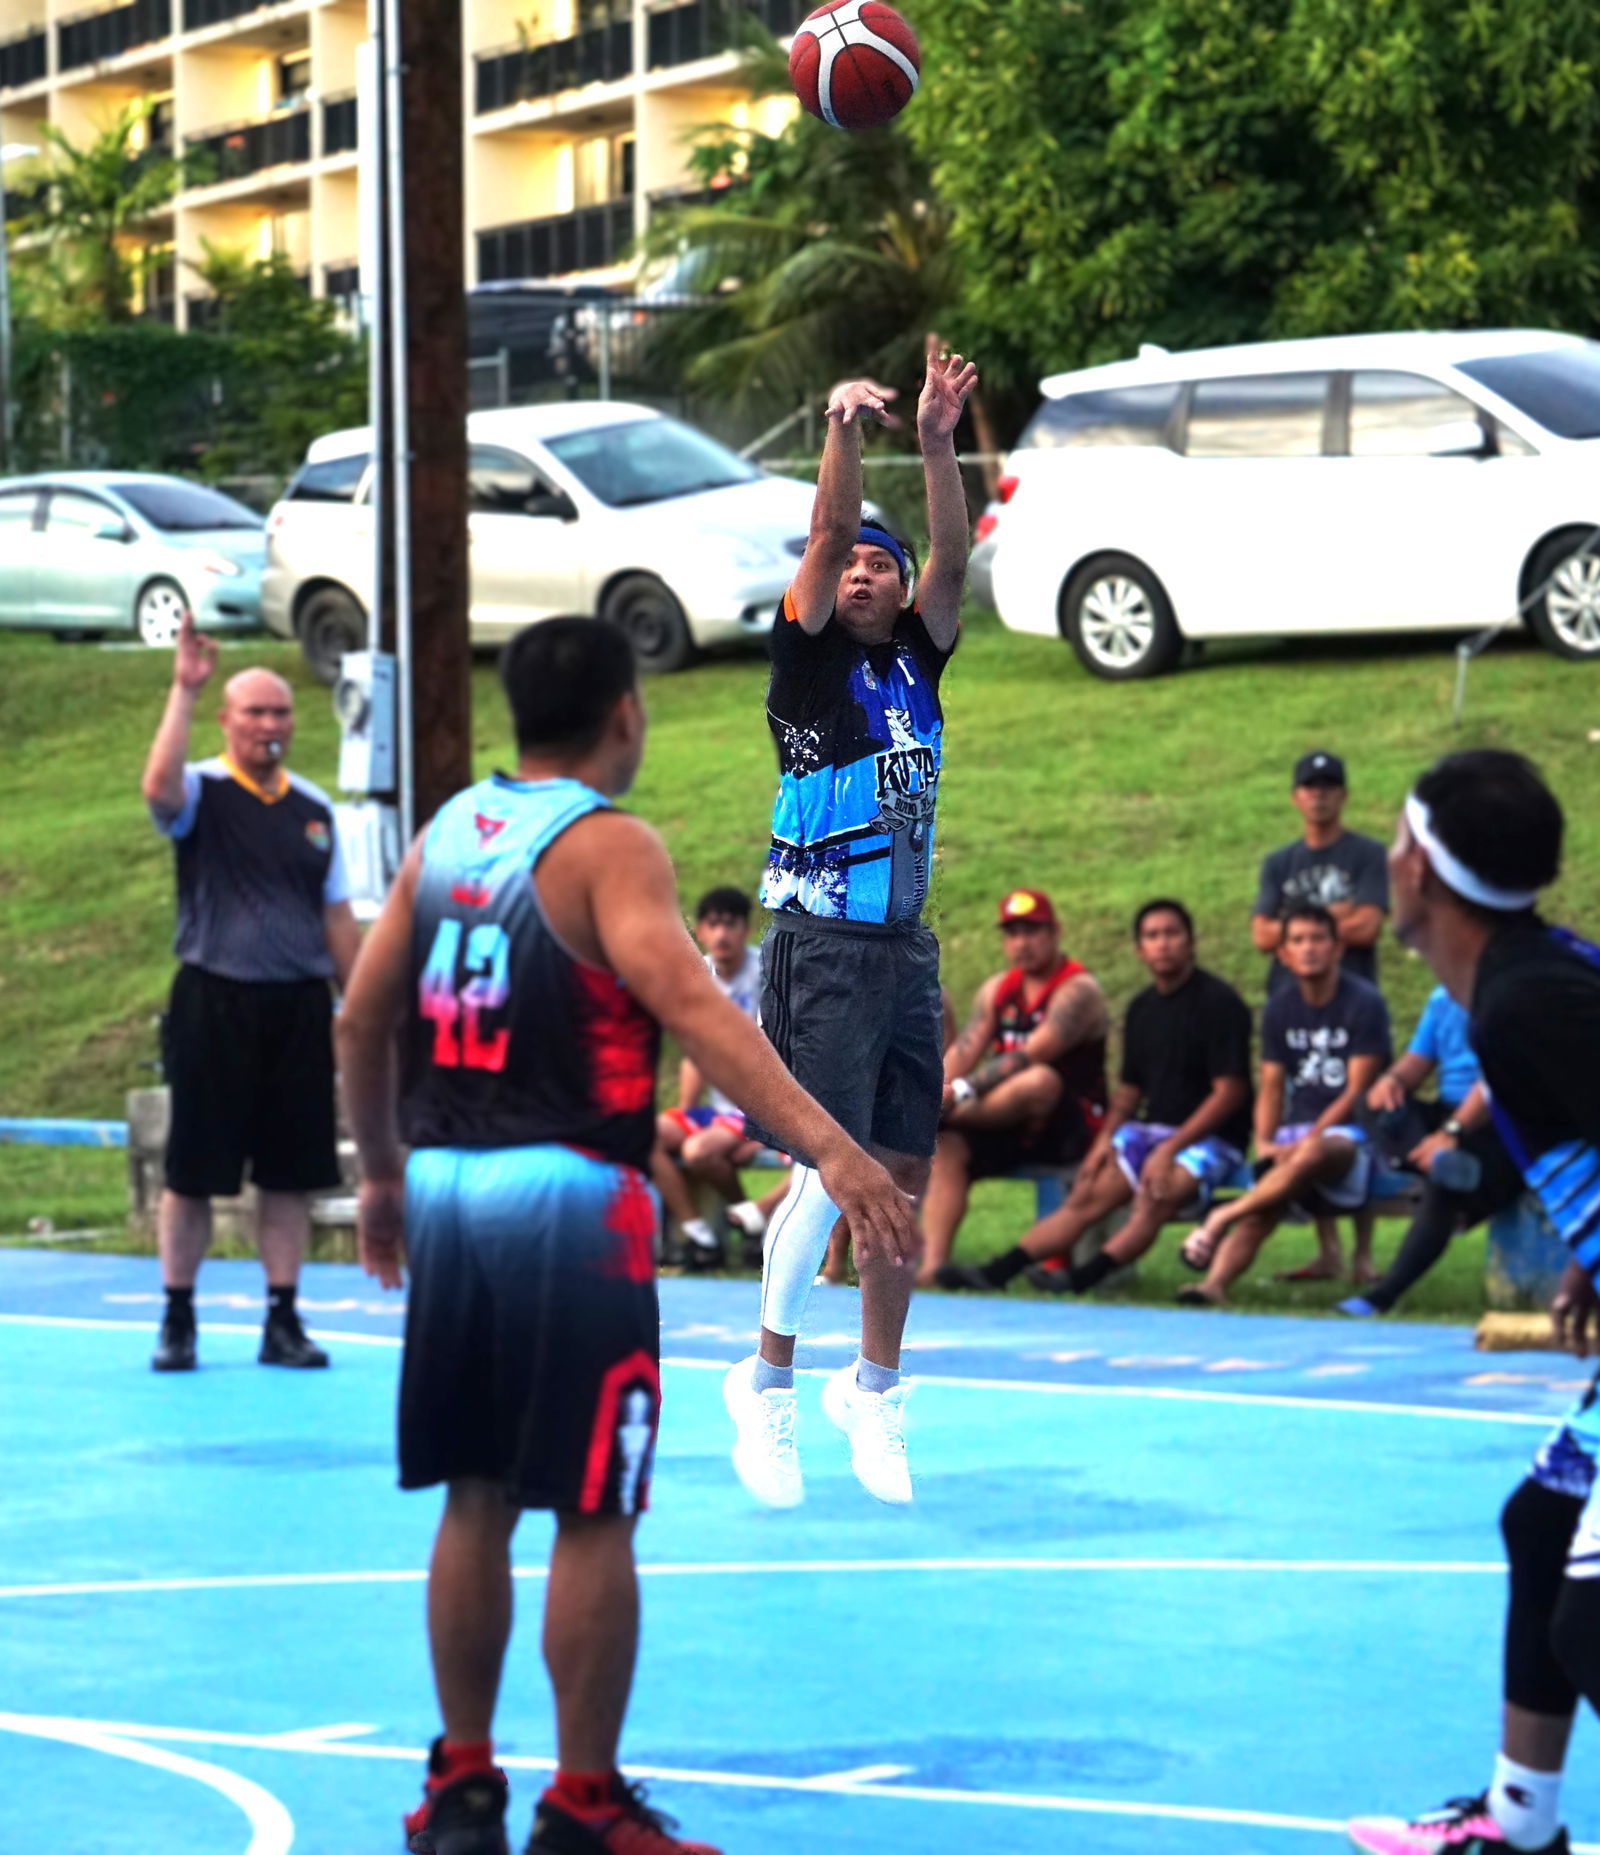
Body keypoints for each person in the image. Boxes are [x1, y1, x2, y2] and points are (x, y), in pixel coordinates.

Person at [335, 618, 915, 1855]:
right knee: (592, 1508)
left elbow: (363, 1015)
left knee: (474, 1493)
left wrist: (382, 1178)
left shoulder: (446, 833)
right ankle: (585, 1802)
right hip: (569, 1199)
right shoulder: (606, 846)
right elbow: (699, 1013)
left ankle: (460, 1786)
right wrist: (833, 1145)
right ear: (624, 713)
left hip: (444, 1190)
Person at [722, 334, 978, 1510]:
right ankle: (766, 1381)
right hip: (819, 944)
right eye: (857, 568)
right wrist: (844, 430)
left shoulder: (919, 666)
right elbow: (826, 539)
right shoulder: (809, 671)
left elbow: (956, 556)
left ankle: (872, 1387)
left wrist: (934, 444)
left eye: (887, 565)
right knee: (833, 1170)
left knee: (902, 1176)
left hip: (903, 950)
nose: (870, 575)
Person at [1347, 750, 1600, 1855]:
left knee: (1593, 1624)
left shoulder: (1525, 1003)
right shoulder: (1522, 983)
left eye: (1398, 837)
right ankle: (1516, 1823)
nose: (1388, 857)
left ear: (1427, 869)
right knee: (1541, 1523)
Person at [140, 610, 361, 1373]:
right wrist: (184, 688)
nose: (270, 724)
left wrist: (357, 1008)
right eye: (255, 712)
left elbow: (336, 915)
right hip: (215, 998)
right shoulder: (200, 791)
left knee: (290, 1173)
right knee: (193, 1170)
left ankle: (283, 1315)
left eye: (280, 712)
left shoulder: (314, 810)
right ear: (229, 720)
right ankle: (178, 1316)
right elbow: (156, 789)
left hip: (296, 1006)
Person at [936, 899, 1252, 1296]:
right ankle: (997, 1272)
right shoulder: (1141, 1008)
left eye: (1172, 934)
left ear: (1191, 942)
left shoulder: (1220, 1004)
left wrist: (1170, 1148)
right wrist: (1105, 1142)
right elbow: (1130, 1091)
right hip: (1153, 1132)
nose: (1163, 944)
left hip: (1212, 1137)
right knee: (1089, 1193)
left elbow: (1231, 1093)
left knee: (1159, 1193)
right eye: (1152, 936)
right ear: (1139, 949)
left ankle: (1083, 1278)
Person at [1179, 901, 1390, 1307]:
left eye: (1317, 939)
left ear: (1337, 948)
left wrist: (1308, 1139)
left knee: (1307, 1154)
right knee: (1269, 1199)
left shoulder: (1365, 1003)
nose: (1308, 948)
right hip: (1299, 1133)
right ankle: (1213, 1285)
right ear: (1283, 954)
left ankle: (1222, 1216)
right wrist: (1265, 1140)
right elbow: (1272, 1085)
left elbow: (1356, 1091)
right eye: (1297, 940)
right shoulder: (1280, 1007)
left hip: (1354, 1134)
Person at [918, 887, 1109, 1285]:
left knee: (1038, 1080)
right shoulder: (999, 989)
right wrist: (935, 1091)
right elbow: (965, 1050)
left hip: (1070, 1128)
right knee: (947, 1147)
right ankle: (934, 1266)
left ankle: (947, 1112)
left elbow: (1030, 1056)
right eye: (1013, 933)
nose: (1022, 943)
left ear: (1055, 932)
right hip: (1006, 1122)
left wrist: (958, 1097)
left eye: (1032, 931)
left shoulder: (1078, 990)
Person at [1337, 982, 1525, 1317]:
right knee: (1371, 1101)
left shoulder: (1509, 998)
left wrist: (1452, 1131)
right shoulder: (1442, 997)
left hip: (1500, 1123)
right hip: (1445, 1116)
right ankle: (1432, 1162)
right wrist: (1392, 1081)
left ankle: (1384, 1294)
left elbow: (1496, 1083)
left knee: (1444, 1188)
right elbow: (1416, 1060)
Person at [649, 886, 787, 1263]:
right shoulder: (699, 977)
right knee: (643, 1134)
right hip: (718, 1109)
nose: (722, 935)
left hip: (759, 1106)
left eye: (731, 925)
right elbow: (694, 1049)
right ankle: (700, 1235)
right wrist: (686, 1112)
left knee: (697, 1151)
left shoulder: (767, 975)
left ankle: (750, 1221)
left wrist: (771, 1128)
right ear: (703, 932)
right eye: (714, 926)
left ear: (745, 930)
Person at [1252, 749, 1389, 996]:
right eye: (1309, 785)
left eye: (1328, 785)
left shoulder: (1370, 854)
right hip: (1288, 996)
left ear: (1344, 796)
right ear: (1295, 797)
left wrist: (1289, 927)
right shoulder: (1277, 862)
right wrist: (1334, 914)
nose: (1319, 793)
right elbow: (1261, 936)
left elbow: (1367, 929)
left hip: (1353, 996)